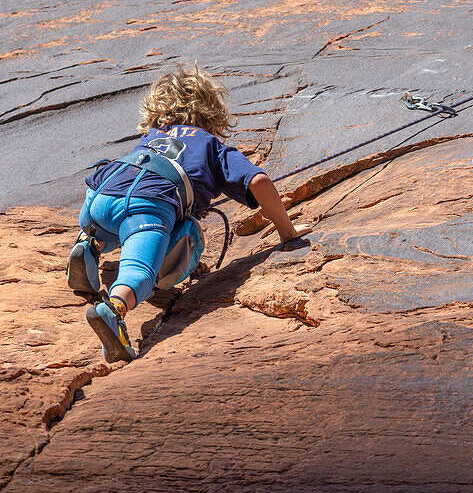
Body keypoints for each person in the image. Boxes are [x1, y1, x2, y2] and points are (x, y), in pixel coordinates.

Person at [67, 65, 312, 362]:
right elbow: (258, 181)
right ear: (212, 109)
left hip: (101, 191)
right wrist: (287, 232)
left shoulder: (153, 136)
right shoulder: (211, 146)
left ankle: (90, 244)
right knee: (139, 269)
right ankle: (114, 309)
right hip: (148, 205)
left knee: (109, 221)